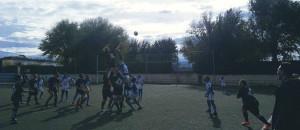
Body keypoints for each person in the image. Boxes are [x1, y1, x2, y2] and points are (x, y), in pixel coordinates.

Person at [272, 62, 300, 130]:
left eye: (278, 70)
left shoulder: (283, 89)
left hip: (286, 125)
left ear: (283, 72)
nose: (277, 72)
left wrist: (277, 127)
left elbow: (283, 111)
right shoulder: (296, 85)